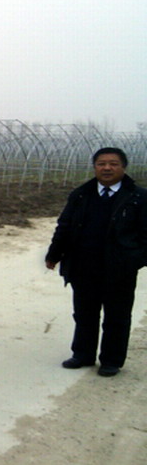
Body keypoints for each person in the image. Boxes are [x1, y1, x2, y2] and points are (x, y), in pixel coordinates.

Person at [46, 147, 147, 377]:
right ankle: (83, 354)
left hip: (119, 269)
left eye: (113, 163)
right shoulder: (81, 195)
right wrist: (54, 254)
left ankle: (111, 360)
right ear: (95, 167)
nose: (107, 168)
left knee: (117, 316)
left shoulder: (139, 197)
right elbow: (65, 226)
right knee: (84, 314)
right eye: (102, 164)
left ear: (123, 167)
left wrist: (134, 260)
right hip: (83, 266)